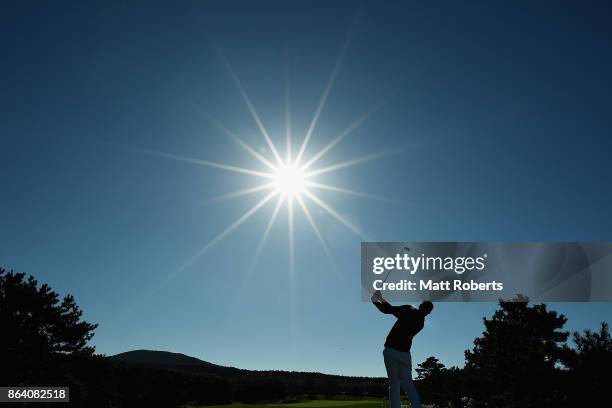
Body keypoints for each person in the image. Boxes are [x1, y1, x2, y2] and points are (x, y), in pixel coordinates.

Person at [371, 290, 433, 408]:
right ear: (428, 313)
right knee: (408, 384)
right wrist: (380, 299)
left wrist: (376, 300)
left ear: (420, 305)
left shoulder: (409, 309)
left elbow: (388, 309)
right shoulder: (421, 323)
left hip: (391, 350)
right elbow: (390, 309)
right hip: (405, 355)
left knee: (394, 383)